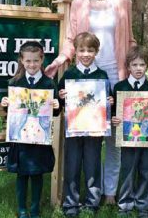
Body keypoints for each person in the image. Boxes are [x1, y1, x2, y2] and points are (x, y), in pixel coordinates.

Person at [45, 0, 136, 204]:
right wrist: (60, 60)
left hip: (114, 72)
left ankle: (109, 193)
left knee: (113, 138)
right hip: (87, 77)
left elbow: (128, 40)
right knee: (86, 133)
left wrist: (132, 74)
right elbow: (72, 40)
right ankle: (82, 191)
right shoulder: (78, 3)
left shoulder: (123, 1)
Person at [1, 41, 60, 218]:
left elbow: (55, 112)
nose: (32, 65)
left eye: (36, 61)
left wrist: (57, 105)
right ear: (21, 60)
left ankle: (34, 209)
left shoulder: (49, 84)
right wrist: (5, 104)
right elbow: (10, 111)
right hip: (21, 139)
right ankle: (22, 209)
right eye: (28, 61)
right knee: (21, 174)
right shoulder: (15, 82)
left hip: (39, 139)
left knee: (37, 174)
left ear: (42, 60)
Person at [58, 32, 114, 217]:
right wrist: (61, 96)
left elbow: (107, 100)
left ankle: (92, 202)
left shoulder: (102, 75)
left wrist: (109, 101)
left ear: (96, 52)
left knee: (93, 165)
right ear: (76, 52)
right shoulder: (69, 74)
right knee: (72, 165)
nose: (86, 54)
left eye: (90, 50)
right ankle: (70, 204)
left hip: (94, 130)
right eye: (82, 50)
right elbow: (58, 101)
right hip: (73, 129)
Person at [111, 45, 148, 218]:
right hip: (127, 137)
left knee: (145, 170)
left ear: (147, 66)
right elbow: (114, 114)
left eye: (142, 64)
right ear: (128, 67)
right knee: (127, 169)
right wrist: (115, 119)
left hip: (146, 138)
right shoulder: (120, 88)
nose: (138, 68)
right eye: (134, 65)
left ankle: (143, 206)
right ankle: (125, 204)